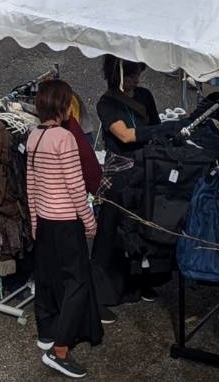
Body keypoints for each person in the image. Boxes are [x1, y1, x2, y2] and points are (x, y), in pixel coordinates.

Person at [27, 78, 103, 378]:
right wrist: (89, 220)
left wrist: (34, 221)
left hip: (44, 221)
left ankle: (45, 332)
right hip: (66, 221)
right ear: (63, 105)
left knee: (46, 279)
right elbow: (75, 186)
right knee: (76, 283)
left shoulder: (34, 137)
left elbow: (30, 184)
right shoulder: (65, 139)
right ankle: (59, 350)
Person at [93, 57, 164, 313]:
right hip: (119, 175)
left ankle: (140, 282)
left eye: (138, 73)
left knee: (141, 230)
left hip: (144, 170)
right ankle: (105, 293)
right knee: (112, 233)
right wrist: (159, 132)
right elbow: (123, 134)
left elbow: (155, 125)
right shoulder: (107, 103)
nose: (137, 79)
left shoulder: (144, 95)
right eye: (133, 74)